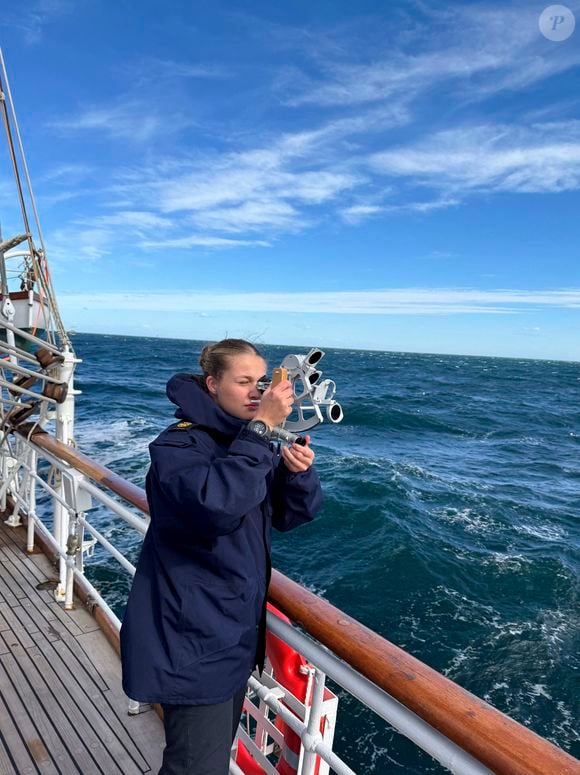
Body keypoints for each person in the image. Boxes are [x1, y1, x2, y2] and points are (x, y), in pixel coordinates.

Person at [120, 338, 323, 775]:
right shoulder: (180, 447)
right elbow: (216, 507)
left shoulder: (246, 442)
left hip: (230, 636)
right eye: (244, 381)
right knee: (194, 767)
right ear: (212, 384)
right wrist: (261, 432)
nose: (258, 392)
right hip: (193, 639)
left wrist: (296, 474)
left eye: (262, 381)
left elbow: (289, 516)